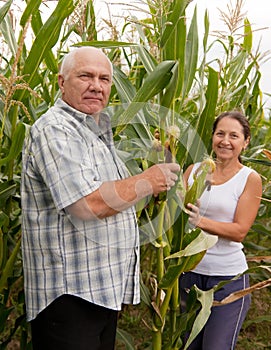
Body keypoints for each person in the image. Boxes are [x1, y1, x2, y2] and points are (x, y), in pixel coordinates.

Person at [21, 46, 180, 350]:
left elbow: (117, 193)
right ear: (61, 82)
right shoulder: (56, 130)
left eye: (105, 79)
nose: (97, 85)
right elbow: (87, 205)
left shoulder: (94, 130)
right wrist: (147, 180)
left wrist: (154, 170)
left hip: (99, 292)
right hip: (69, 298)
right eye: (86, 76)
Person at [179, 111, 262, 349]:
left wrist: (200, 221)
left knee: (216, 346)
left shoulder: (249, 178)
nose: (225, 141)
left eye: (234, 136)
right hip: (190, 275)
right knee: (188, 345)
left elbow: (239, 231)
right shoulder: (194, 171)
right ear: (212, 136)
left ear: (245, 142)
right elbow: (174, 214)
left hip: (228, 280)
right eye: (220, 133)